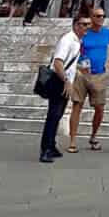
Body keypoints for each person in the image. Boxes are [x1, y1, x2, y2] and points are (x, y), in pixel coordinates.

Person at [67, 7, 109, 153]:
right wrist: (78, 63)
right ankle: (72, 140)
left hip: (99, 75)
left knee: (99, 108)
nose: (101, 18)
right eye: (97, 16)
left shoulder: (107, 33)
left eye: (103, 16)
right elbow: (74, 47)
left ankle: (94, 135)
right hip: (82, 74)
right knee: (77, 105)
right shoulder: (84, 32)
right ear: (91, 17)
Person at [41, 14, 85, 163]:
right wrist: (66, 81)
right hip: (59, 80)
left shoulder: (77, 41)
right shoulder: (68, 40)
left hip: (66, 81)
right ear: (75, 25)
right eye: (83, 24)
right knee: (53, 115)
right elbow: (58, 62)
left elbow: (68, 63)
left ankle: (51, 146)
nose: (86, 28)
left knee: (58, 115)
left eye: (88, 25)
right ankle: (45, 149)